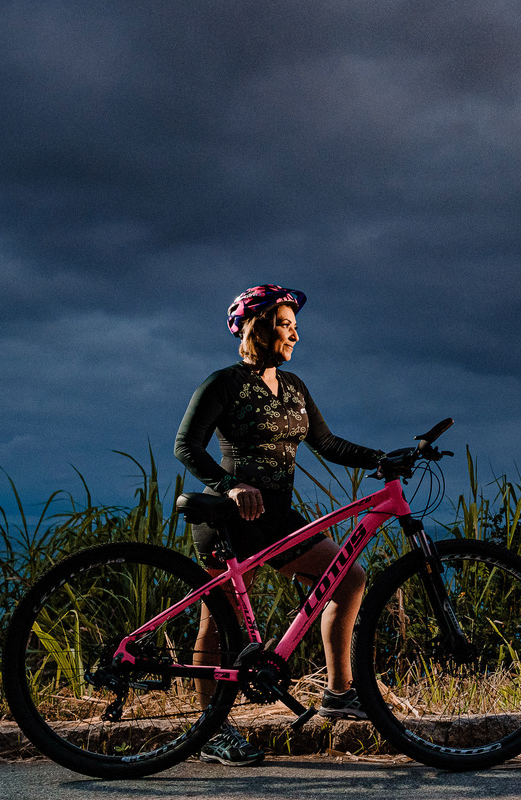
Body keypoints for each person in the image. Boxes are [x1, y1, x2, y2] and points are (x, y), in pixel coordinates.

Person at [175, 284, 387, 766]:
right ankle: (211, 728)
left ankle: (338, 693)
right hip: (229, 517)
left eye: (293, 324)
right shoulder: (223, 383)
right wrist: (229, 485)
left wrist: (383, 458)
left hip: (277, 518)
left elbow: (328, 444)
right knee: (221, 623)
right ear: (258, 326)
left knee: (347, 577)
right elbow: (186, 446)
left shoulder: (294, 387)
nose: (295, 332)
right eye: (285, 323)